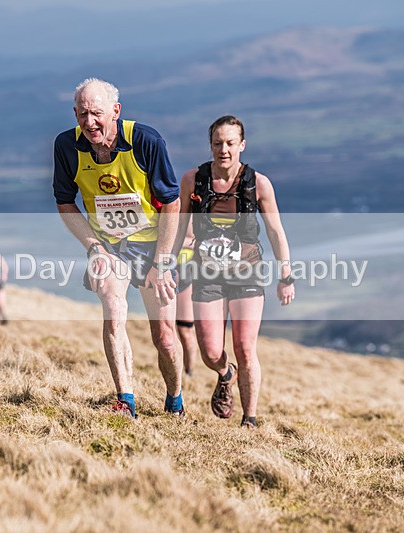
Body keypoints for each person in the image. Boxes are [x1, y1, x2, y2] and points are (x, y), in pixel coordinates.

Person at [53, 77, 184, 418]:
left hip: (155, 244)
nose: (89, 122)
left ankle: (175, 399)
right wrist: (94, 247)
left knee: (166, 338)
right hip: (110, 246)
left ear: (116, 110)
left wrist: (163, 262)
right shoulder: (67, 146)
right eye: (82, 114)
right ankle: (125, 400)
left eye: (96, 113)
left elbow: (172, 203)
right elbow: (65, 203)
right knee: (114, 314)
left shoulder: (145, 141)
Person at [173, 115, 295, 428]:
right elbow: (179, 228)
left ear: (242, 145)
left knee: (244, 347)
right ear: (210, 145)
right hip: (207, 276)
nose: (223, 149)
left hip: (247, 275)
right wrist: (167, 264)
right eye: (217, 143)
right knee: (211, 352)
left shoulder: (258, 184)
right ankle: (226, 375)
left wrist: (286, 276)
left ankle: (249, 419)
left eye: (230, 143)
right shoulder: (193, 180)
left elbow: (276, 232)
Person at [175, 221, 199, 377]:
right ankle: (172, 374)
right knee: (164, 329)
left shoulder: (196, 205)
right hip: (162, 266)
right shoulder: (162, 199)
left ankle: (189, 373)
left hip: (187, 268)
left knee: (185, 330)